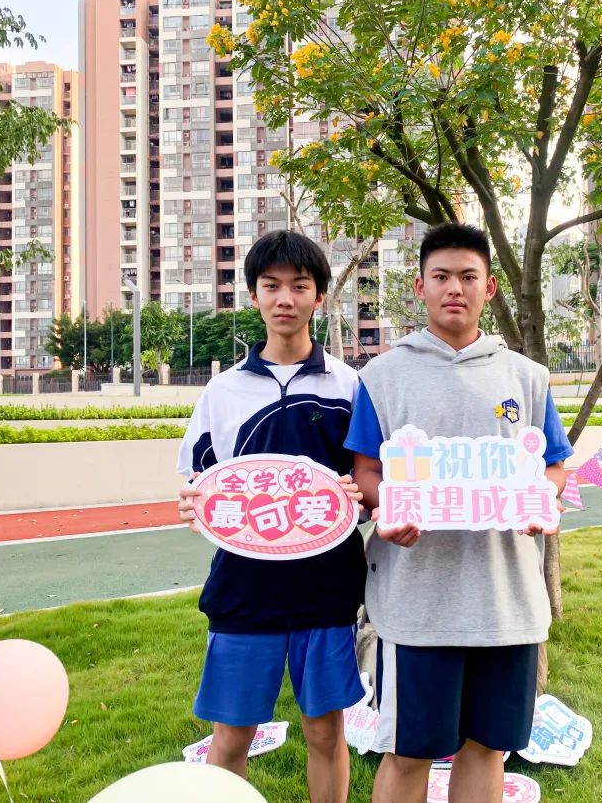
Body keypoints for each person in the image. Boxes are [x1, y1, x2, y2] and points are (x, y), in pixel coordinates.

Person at [344, 223, 573, 803]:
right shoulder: (382, 378)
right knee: (409, 751)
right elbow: (365, 472)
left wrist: (540, 498)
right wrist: (387, 508)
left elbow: (553, 465)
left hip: (506, 601)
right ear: (419, 286)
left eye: (468, 277)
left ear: (489, 287)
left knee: (487, 748)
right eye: (441, 276)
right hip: (417, 604)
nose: (455, 288)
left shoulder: (526, 377)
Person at [176, 230, 366, 803]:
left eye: (300, 286)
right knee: (231, 736)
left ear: (320, 297)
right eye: (272, 286)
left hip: (326, 586)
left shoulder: (350, 385)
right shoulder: (222, 392)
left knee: (324, 732)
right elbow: (199, 478)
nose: (286, 299)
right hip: (244, 585)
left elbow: (367, 479)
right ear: (254, 295)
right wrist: (194, 503)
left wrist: (358, 494)